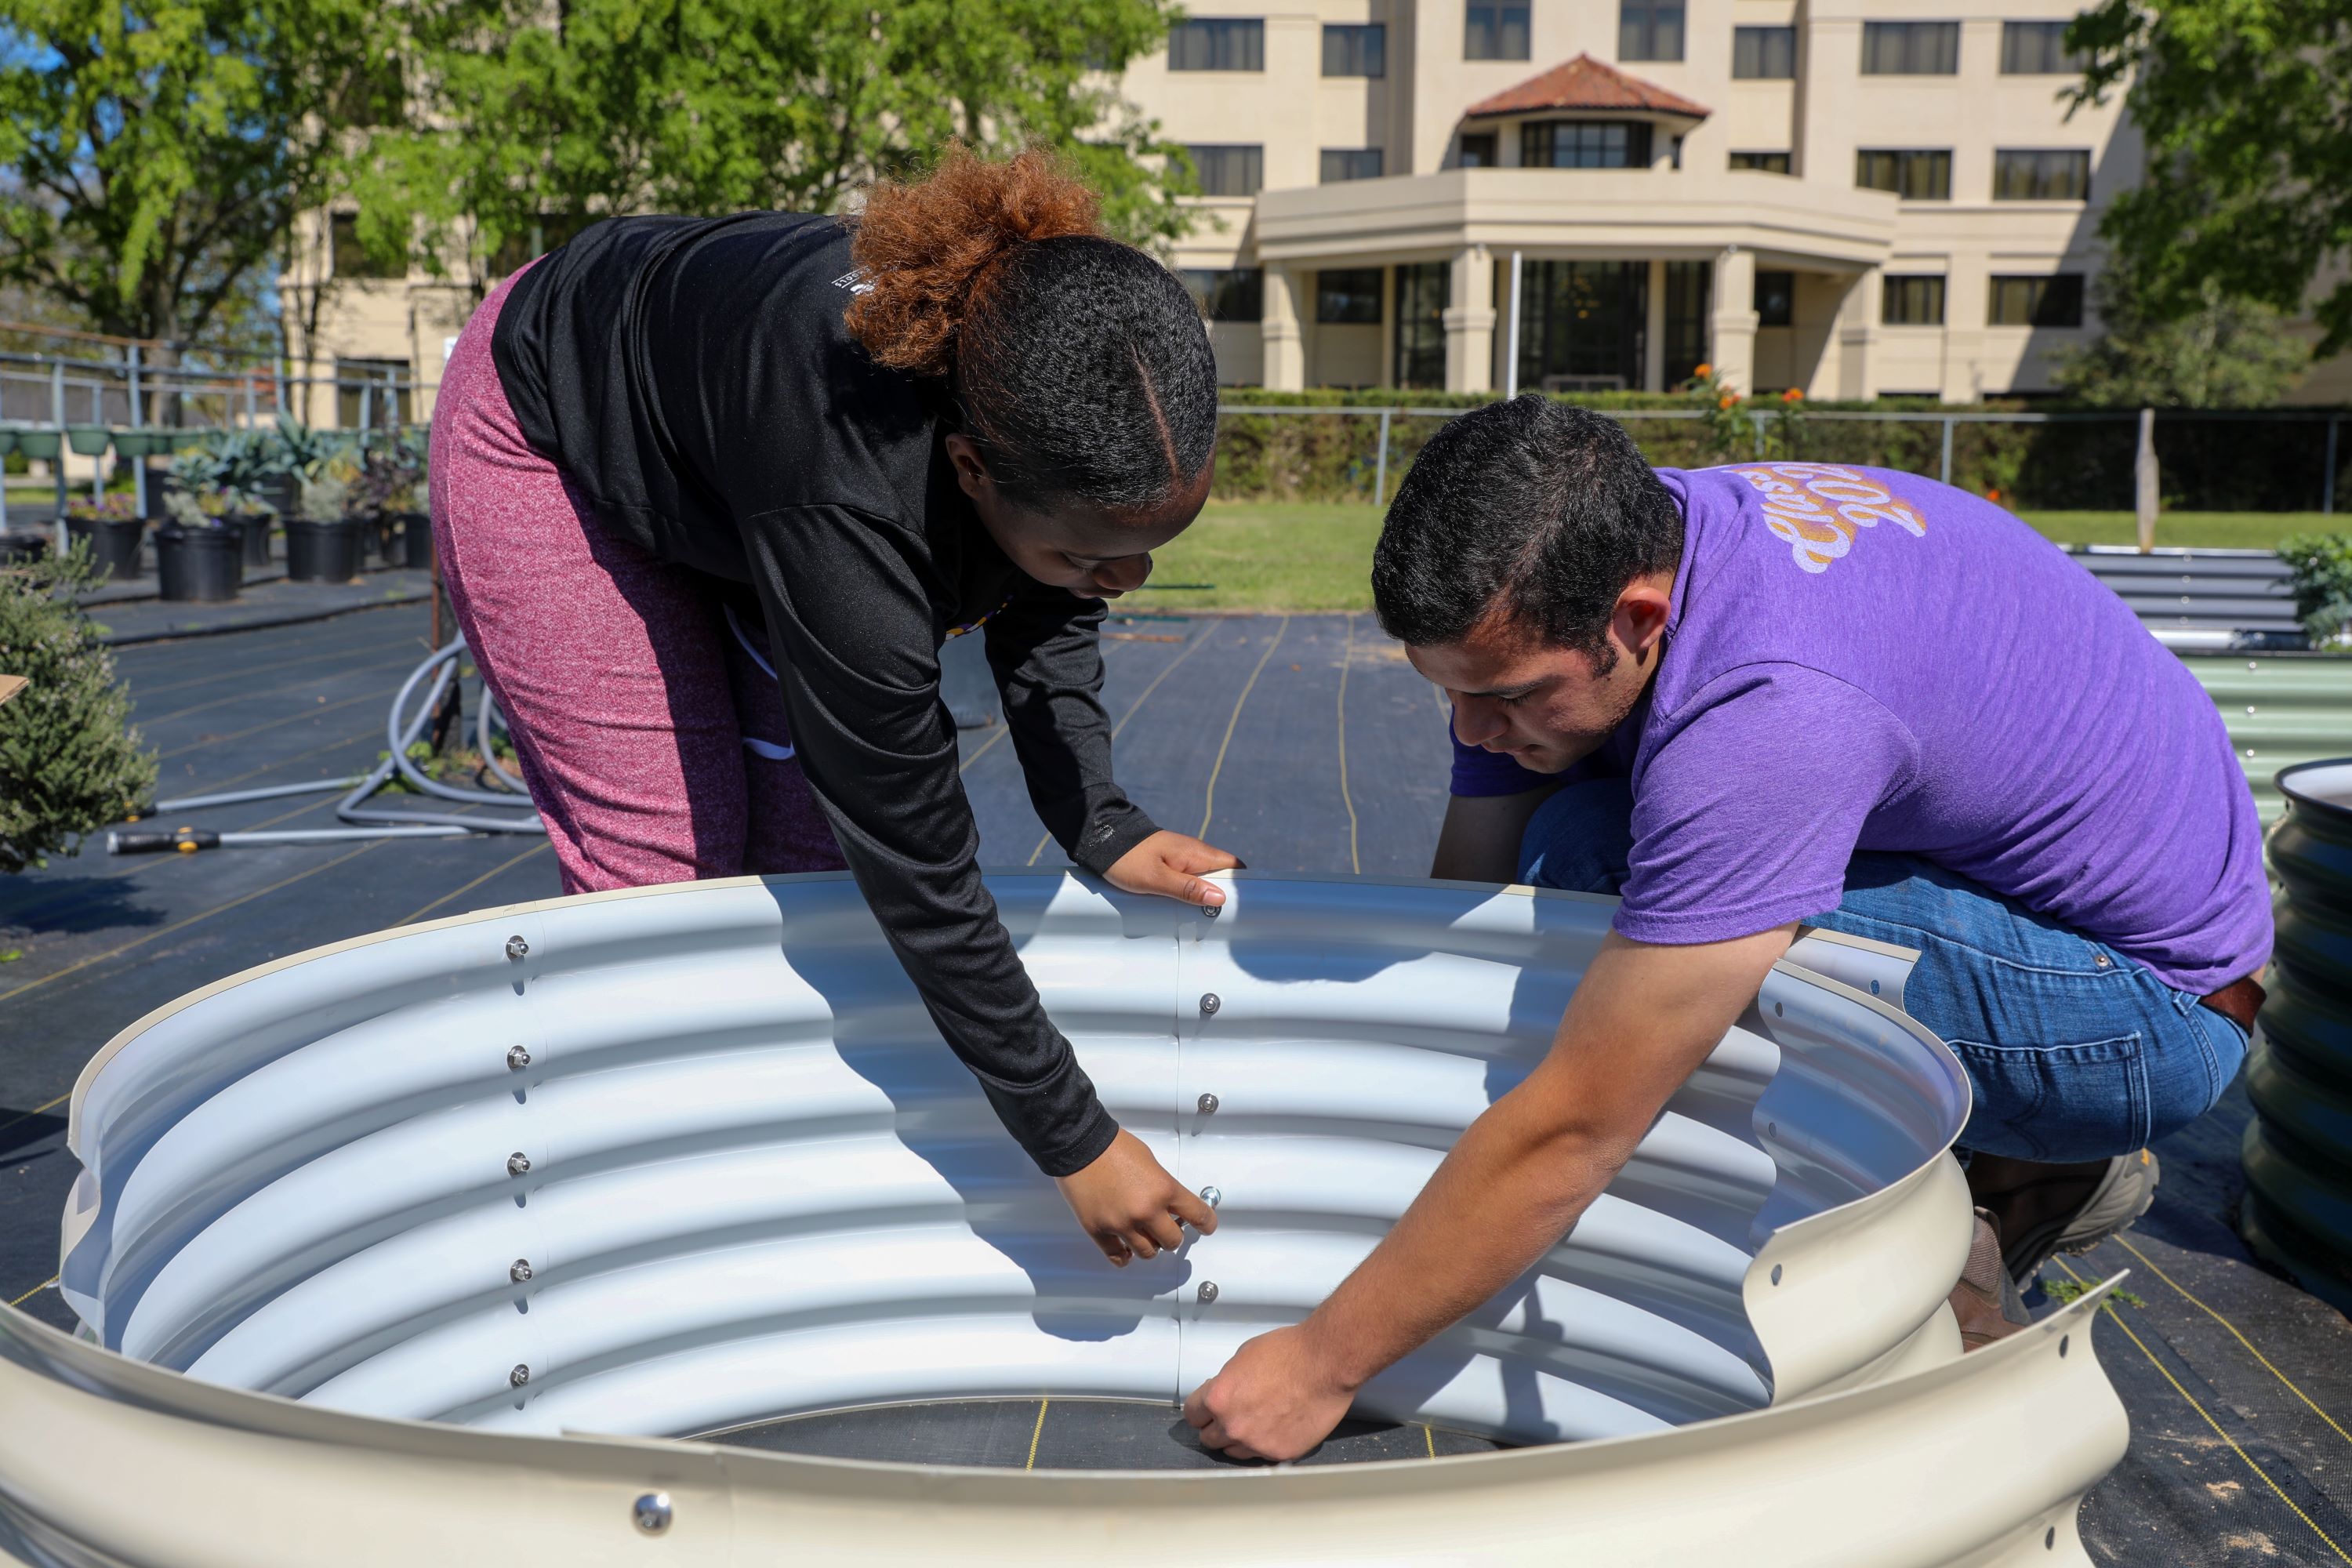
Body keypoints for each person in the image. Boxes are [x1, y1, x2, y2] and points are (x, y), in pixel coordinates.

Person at [1184, 396, 2267, 1461]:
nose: (1470, 729)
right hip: (2014, 883)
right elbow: (1474, 914)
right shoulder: (1609, 554)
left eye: (1504, 695)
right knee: (1574, 848)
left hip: (2142, 1008)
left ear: (1637, 621)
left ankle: (1964, 1228)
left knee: (1594, 874)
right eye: (1448, 693)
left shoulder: (1767, 713)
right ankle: (2001, 1158)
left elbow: (1579, 1124)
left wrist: (1327, 1360)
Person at [429, 148, 1232, 1266]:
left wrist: (1099, 818)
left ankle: (782, 1177)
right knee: (668, 861)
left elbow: (1049, 594)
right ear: (969, 467)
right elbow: (917, 854)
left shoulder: (1029, 402)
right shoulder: (851, 495)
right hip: (558, 425)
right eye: (1096, 554)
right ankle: (654, 1224)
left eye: (1144, 554)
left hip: (730, 448)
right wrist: (1076, 1140)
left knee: (806, 854)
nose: (1124, 582)